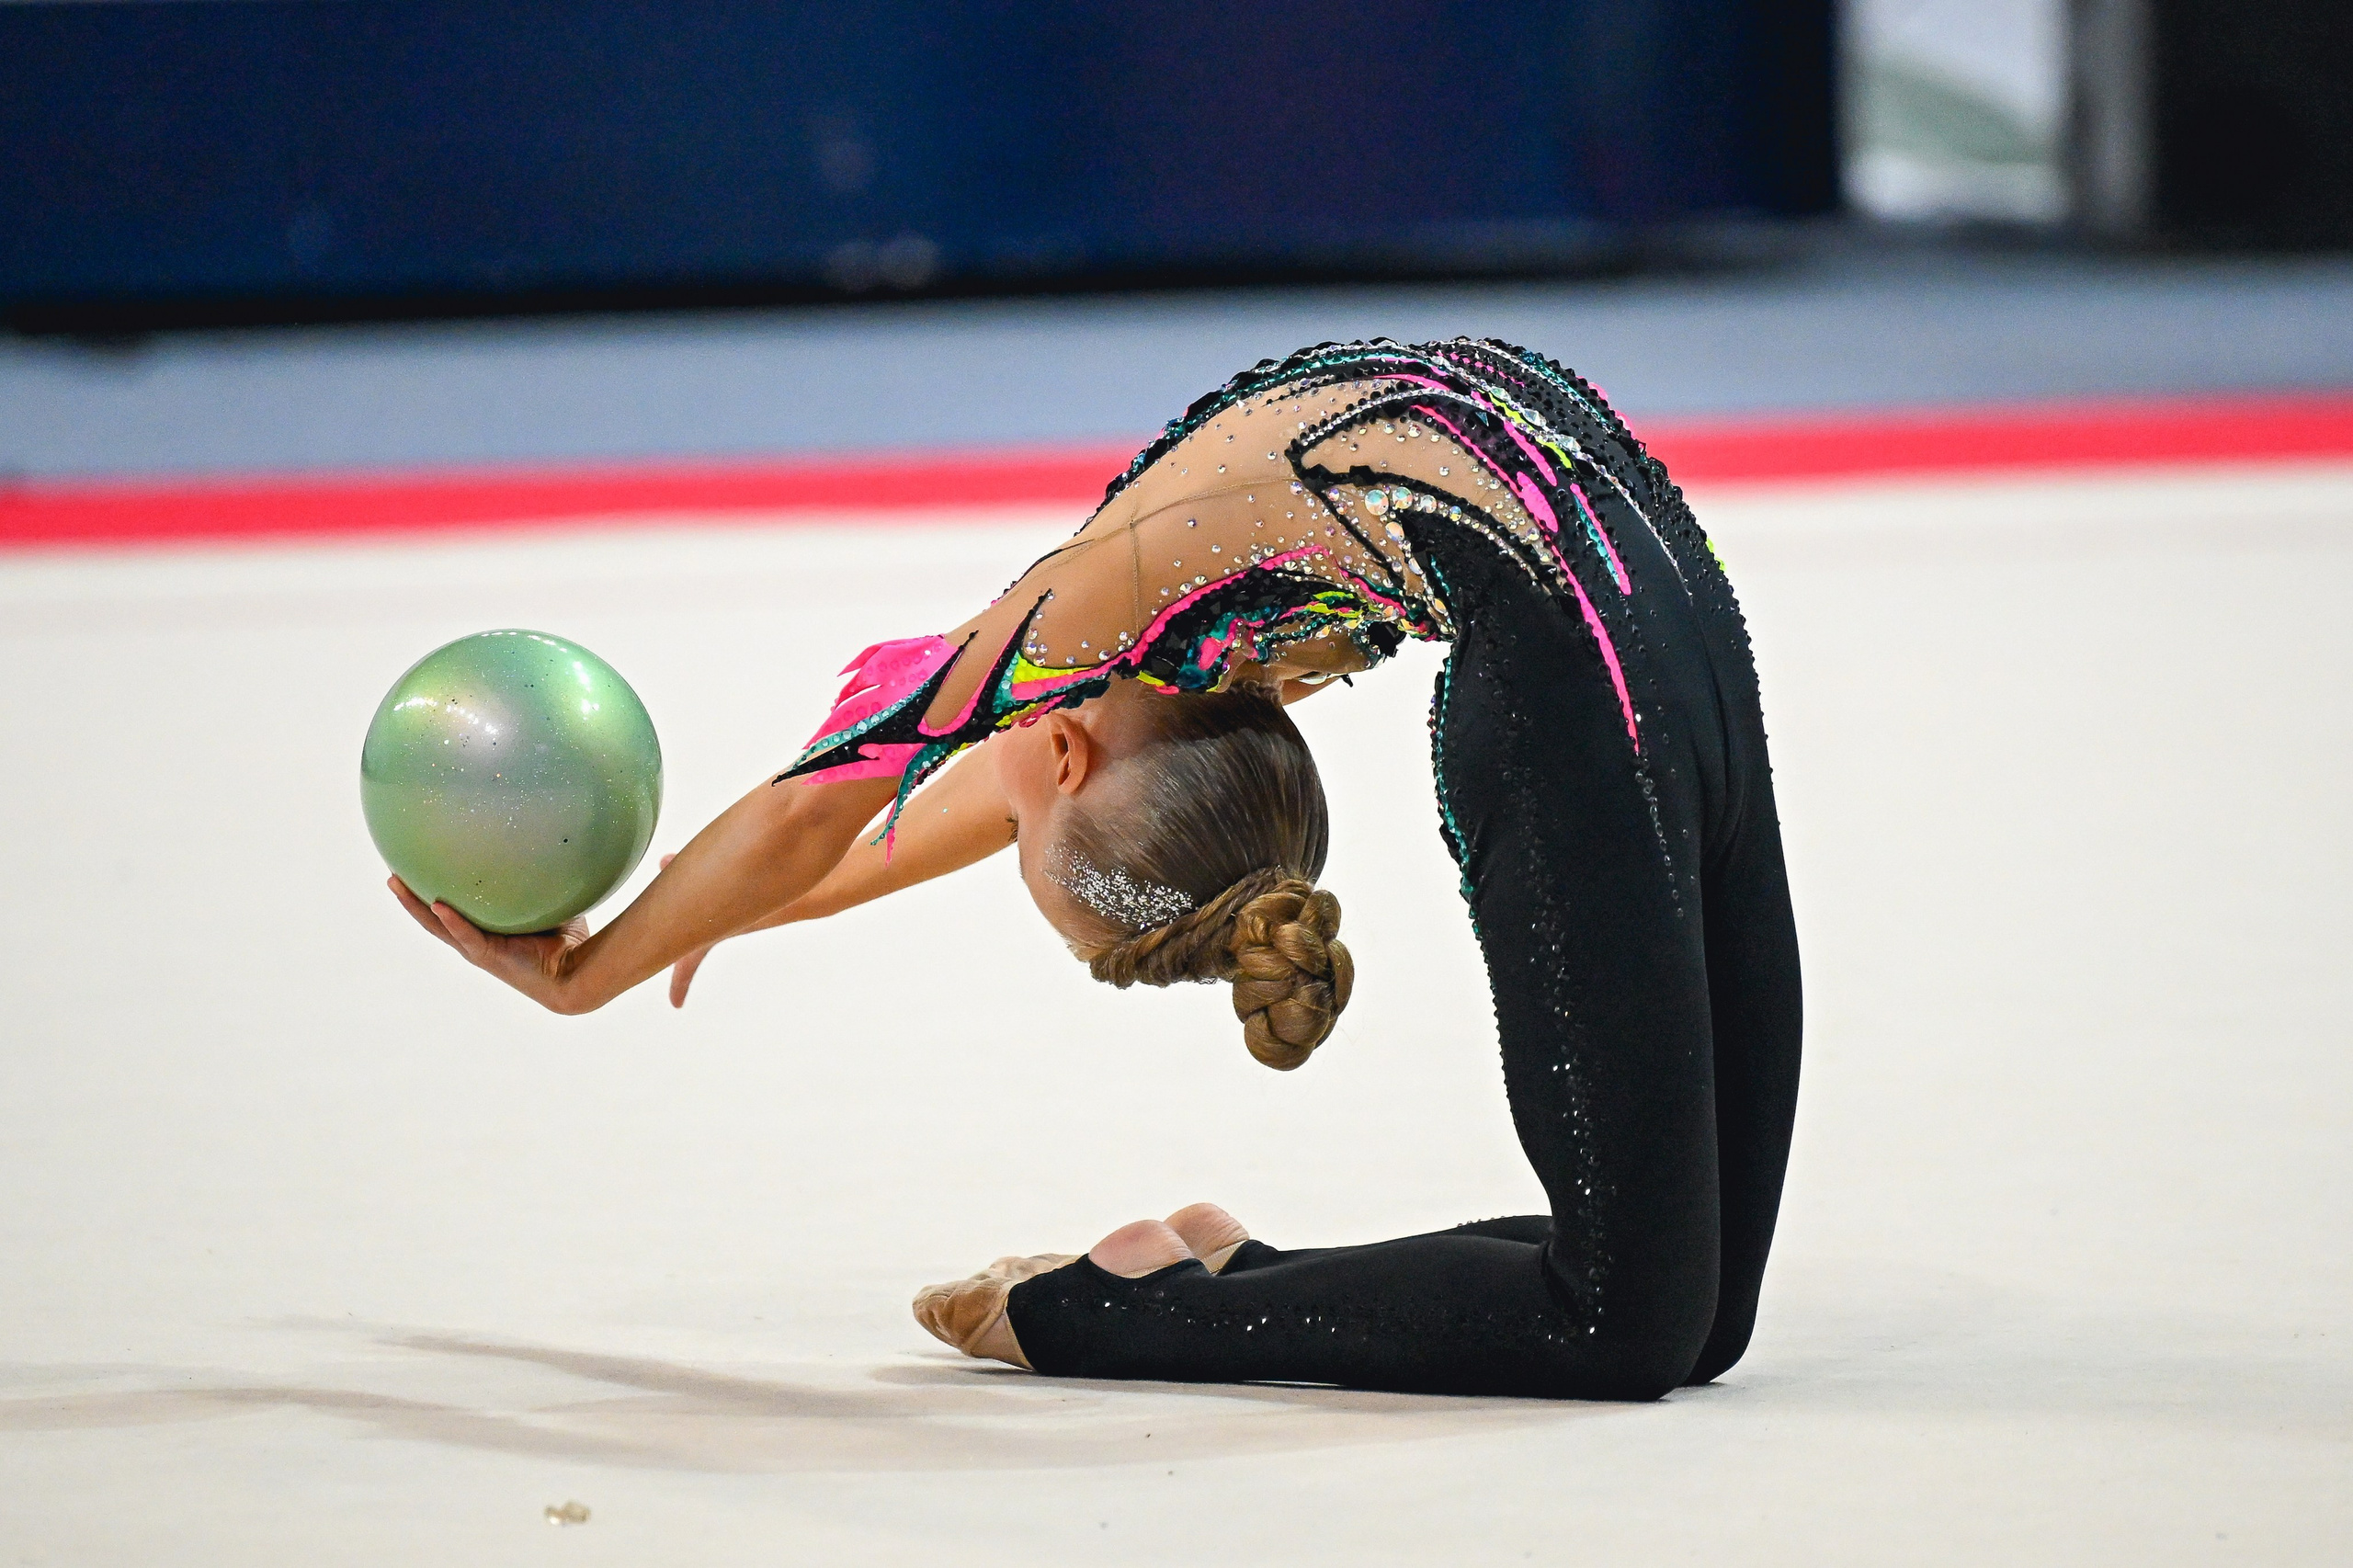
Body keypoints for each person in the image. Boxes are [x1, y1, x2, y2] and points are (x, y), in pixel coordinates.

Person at [392, 338, 1802, 1401]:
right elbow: (908, 811)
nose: (998, 808)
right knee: (1689, 1307)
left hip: (1584, 683)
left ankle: (1125, 1310)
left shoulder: (1096, 607)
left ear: (1066, 750)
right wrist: (753, 906)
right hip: (1678, 629)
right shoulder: (1201, 642)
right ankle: (1229, 1273)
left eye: (1022, 834)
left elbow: (818, 809)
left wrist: (585, 976)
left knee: (1632, 1320)